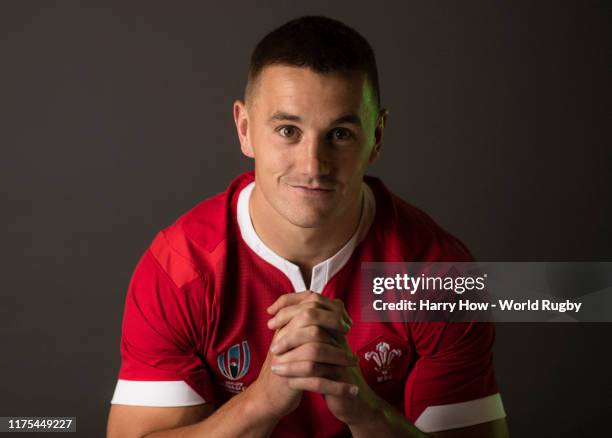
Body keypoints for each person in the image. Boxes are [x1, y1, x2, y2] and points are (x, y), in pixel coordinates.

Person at [106, 15, 509, 438]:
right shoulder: (180, 269)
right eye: (287, 130)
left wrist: (363, 409)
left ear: (377, 135)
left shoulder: (439, 275)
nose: (313, 165)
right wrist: (262, 402)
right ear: (245, 130)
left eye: (340, 134)